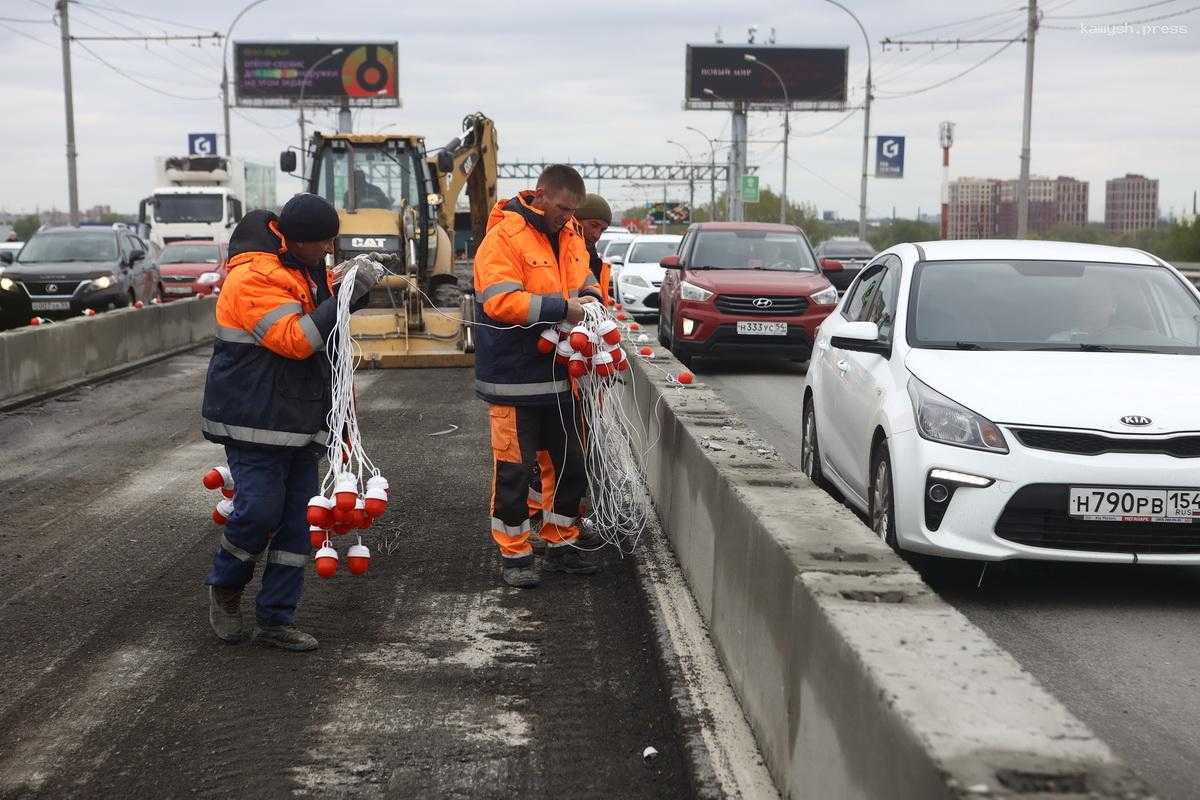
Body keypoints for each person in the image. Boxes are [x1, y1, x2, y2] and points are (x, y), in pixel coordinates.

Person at [201, 193, 379, 651]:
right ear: (293, 240)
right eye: (321, 245)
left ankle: (276, 619)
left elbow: (320, 313)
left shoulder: (302, 267)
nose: (327, 253)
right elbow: (297, 341)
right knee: (259, 511)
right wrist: (345, 296)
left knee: (299, 524)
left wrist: (350, 285)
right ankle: (226, 586)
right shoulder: (253, 279)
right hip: (254, 420)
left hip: (300, 417)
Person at [473, 165, 604, 588]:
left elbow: (583, 274)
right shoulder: (503, 239)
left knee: (569, 464)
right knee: (515, 469)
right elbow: (500, 302)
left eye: (573, 211)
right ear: (541, 194)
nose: (567, 217)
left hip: (563, 373)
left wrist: (592, 295)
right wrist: (561, 309)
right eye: (562, 208)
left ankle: (561, 541)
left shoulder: (570, 234)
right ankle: (515, 553)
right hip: (515, 377)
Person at [527, 193, 614, 533]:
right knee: (554, 453)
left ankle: (555, 517)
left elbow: (592, 293)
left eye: (604, 229)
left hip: (580, 362)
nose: (597, 234)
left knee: (565, 451)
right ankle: (542, 515)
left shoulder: (586, 253)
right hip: (561, 362)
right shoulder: (568, 247)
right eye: (594, 226)